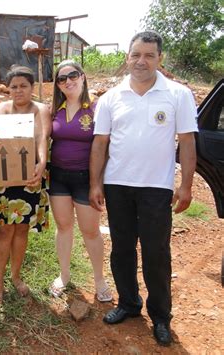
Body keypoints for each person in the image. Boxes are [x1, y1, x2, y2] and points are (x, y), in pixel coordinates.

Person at [89, 31, 197, 346]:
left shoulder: (178, 95)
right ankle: (128, 303)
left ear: (159, 59)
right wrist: (96, 182)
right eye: (136, 54)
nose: (141, 61)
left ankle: (161, 317)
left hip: (156, 188)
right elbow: (100, 143)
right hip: (117, 185)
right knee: (122, 249)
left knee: (156, 253)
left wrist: (186, 185)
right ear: (127, 57)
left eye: (149, 55)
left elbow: (188, 142)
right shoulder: (111, 97)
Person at [48, 60, 111, 302]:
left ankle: (99, 280)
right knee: (63, 228)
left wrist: (99, 182)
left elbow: (105, 148)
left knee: (90, 231)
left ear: (83, 76)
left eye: (72, 75)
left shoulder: (96, 108)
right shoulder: (55, 109)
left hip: (87, 179)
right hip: (59, 179)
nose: (68, 81)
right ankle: (64, 276)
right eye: (62, 79)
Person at [0, 65, 51, 305]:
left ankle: (15, 276)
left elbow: (41, 138)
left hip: (30, 176)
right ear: (8, 89)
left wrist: (42, 162)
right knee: (4, 229)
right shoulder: (1, 108)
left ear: (31, 87)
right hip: (4, 177)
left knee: (22, 228)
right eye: (14, 86)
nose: (18, 90)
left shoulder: (40, 109)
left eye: (23, 86)